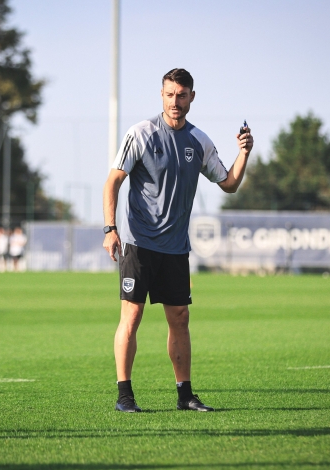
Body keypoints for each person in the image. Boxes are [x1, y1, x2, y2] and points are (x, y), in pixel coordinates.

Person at [102, 68, 253, 413]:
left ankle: (185, 395)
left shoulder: (199, 141)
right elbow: (113, 182)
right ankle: (125, 396)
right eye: (170, 95)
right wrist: (110, 229)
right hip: (138, 243)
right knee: (132, 315)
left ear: (191, 98)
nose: (175, 102)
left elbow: (228, 184)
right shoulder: (140, 133)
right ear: (161, 95)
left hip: (175, 248)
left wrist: (243, 153)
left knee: (180, 317)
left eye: (182, 95)